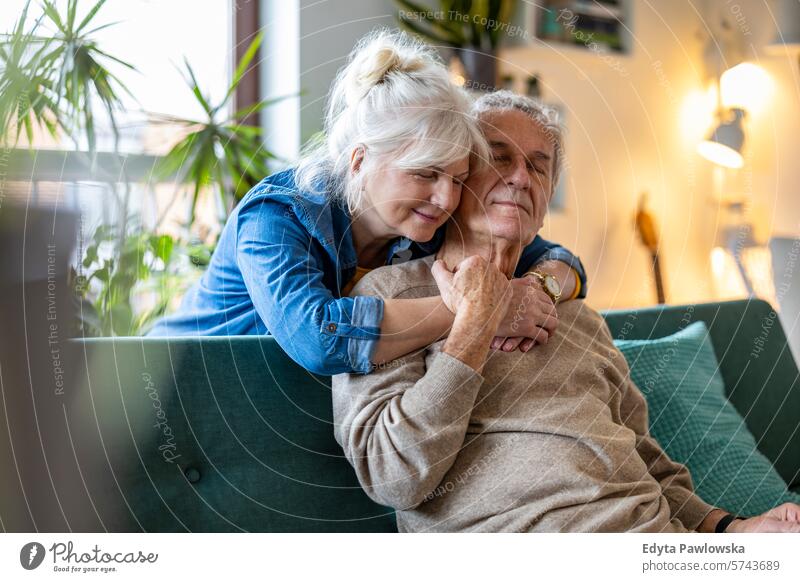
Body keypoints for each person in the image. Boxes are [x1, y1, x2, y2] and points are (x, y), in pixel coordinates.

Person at [332, 91, 800, 532]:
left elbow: (645, 458)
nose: (520, 177)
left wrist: (732, 528)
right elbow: (394, 477)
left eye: (538, 167)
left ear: (544, 204)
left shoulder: (575, 316)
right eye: (499, 157)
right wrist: (474, 323)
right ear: (456, 179)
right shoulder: (387, 299)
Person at [148, 29, 586, 375]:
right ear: (360, 160)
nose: (446, 197)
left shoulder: (427, 221)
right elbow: (320, 339)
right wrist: (482, 311)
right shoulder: (276, 216)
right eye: (425, 174)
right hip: (173, 390)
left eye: (457, 178)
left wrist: (540, 287)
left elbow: (559, 259)